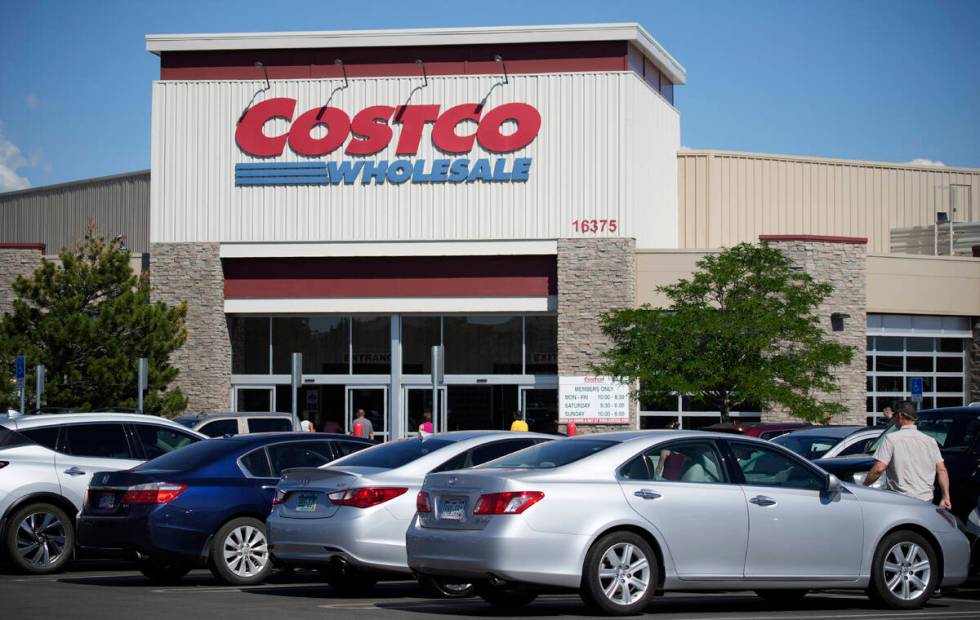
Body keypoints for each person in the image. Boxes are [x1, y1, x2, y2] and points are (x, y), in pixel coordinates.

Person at [863, 400, 951, 510]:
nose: (894, 418)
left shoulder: (891, 439)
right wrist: (945, 496)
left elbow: (879, 469)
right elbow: (942, 470)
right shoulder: (930, 441)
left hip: (900, 500)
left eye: (894, 415)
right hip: (926, 500)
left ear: (900, 415)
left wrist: (864, 486)